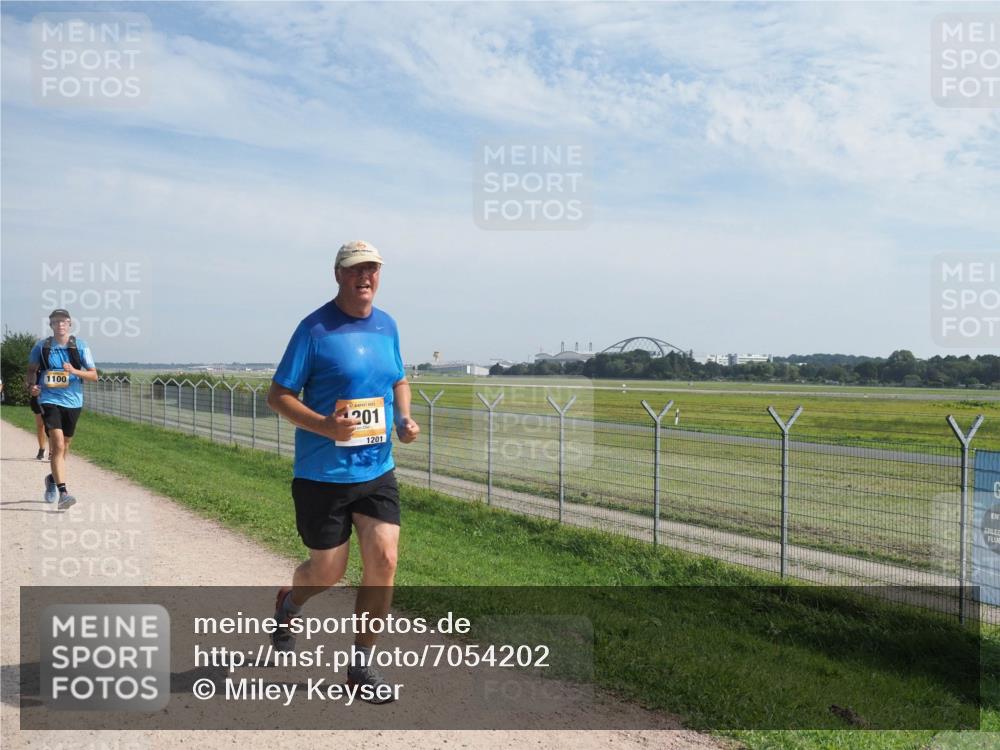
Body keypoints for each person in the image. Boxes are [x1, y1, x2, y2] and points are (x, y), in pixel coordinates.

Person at [266, 240, 419, 704]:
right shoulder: (314, 329)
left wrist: (403, 418)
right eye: (355, 269)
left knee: (384, 559)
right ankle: (289, 603)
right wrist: (325, 427)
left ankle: (360, 665)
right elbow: (279, 395)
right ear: (338, 275)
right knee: (326, 572)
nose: (364, 277)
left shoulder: (387, 325)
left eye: (372, 269)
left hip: (376, 469)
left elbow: (398, 379)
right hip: (323, 475)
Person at [26, 309, 98, 510]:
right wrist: (31, 387)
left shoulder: (80, 346)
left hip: (73, 402)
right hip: (49, 399)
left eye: (63, 321)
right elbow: (31, 371)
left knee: (65, 446)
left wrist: (73, 371)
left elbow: (94, 375)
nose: (60, 325)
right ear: (51, 325)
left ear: (69, 324)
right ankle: (64, 493)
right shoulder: (41, 347)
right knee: (57, 444)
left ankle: (51, 479)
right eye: (56, 322)